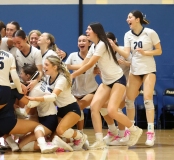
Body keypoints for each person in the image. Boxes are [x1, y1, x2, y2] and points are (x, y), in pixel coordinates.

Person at [71, 22, 143, 150]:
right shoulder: (93, 46)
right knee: (94, 107)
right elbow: (84, 64)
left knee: (112, 110)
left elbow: (89, 65)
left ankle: (134, 130)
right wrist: (68, 70)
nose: (86, 31)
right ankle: (99, 140)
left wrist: (72, 75)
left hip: (117, 80)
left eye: (89, 29)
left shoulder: (102, 44)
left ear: (96, 32)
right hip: (106, 82)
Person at [109, 10, 162, 146]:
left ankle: (150, 133)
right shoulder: (127, 35)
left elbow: (159, 50)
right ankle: (129, 131)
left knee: (147, 99)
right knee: (129, 100)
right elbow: (126, 53)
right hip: (135, 70)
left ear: (137, 19)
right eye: (127, 18)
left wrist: (145, 52)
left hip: (149, 69)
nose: (127, 20)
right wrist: (114, 46)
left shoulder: (150, 32)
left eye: (130, 17)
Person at [27, 55, 87, 151]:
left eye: (46, 65)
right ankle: (72, 139)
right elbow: (40, 74)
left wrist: (35, 98)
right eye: (44, 64)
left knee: (60, 130)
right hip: (61, 110)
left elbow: (53, 97)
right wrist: (35, 81)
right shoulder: (48, 77)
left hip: (72, 109)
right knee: (53, 139)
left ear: (54, 67)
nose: (44, 67)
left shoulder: (61, 79)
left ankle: (81, 136)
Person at [65, 34, 98, 148]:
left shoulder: (94, 56)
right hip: (75, 91)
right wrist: (84, 66)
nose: (81, 43)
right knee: (76, 109)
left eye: (84, 40)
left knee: (78, 108)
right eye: (79, 41)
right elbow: (65, 66)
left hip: (91, 90)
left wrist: (95, 69)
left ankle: (80, 134)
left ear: (89, 43)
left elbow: (98, 68)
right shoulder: (73, 55)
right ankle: (80, 136)